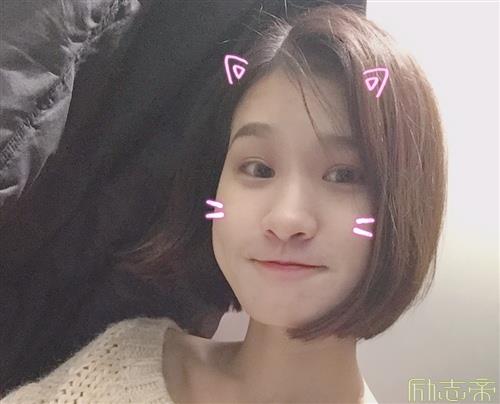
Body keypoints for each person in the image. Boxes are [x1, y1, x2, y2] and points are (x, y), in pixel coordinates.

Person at [0, 3, 447, 403]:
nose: (285, 218)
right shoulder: (119, 365)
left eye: (343, 175)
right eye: (258, 169)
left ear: (403, 207)